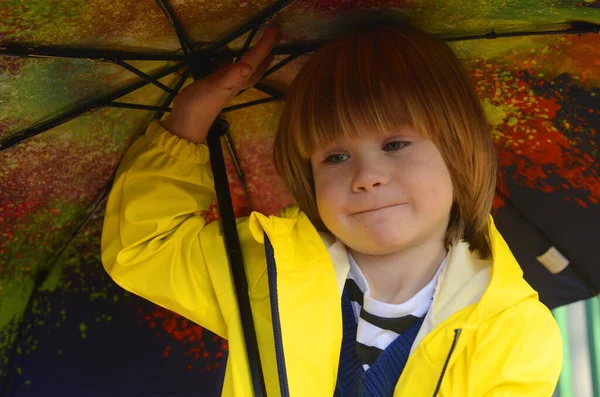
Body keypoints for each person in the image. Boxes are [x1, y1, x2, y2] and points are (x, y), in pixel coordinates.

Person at [101, 21, 563, 396]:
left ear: (460, 151)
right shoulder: (269, 268)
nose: (366, 176)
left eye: (396, 143)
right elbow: (144, 248)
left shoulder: (511, 331)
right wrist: (189, 119)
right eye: (335, 157)